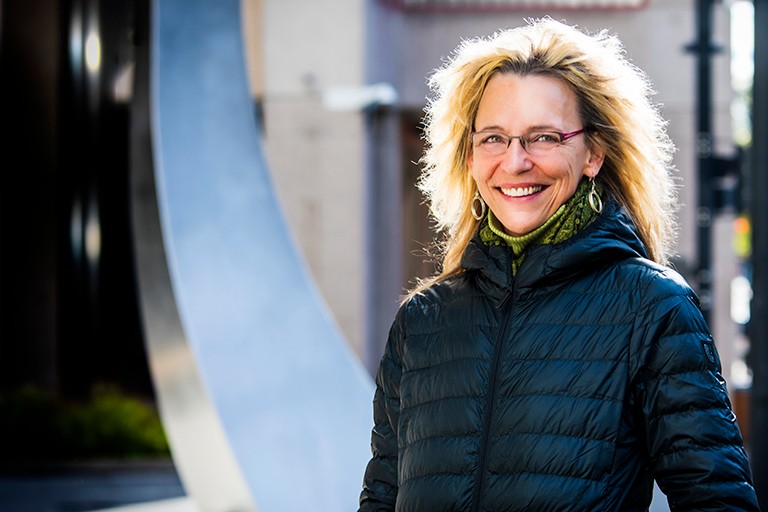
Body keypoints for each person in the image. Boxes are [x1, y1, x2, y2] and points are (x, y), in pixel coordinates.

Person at [358, 18, 759, 512]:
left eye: (544, 137)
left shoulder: (651, 309)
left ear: (593, 153)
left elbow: (718, 502)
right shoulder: (422, 321)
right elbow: (381, 500)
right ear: (469, 155)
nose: (516, 161)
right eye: (493, 138)